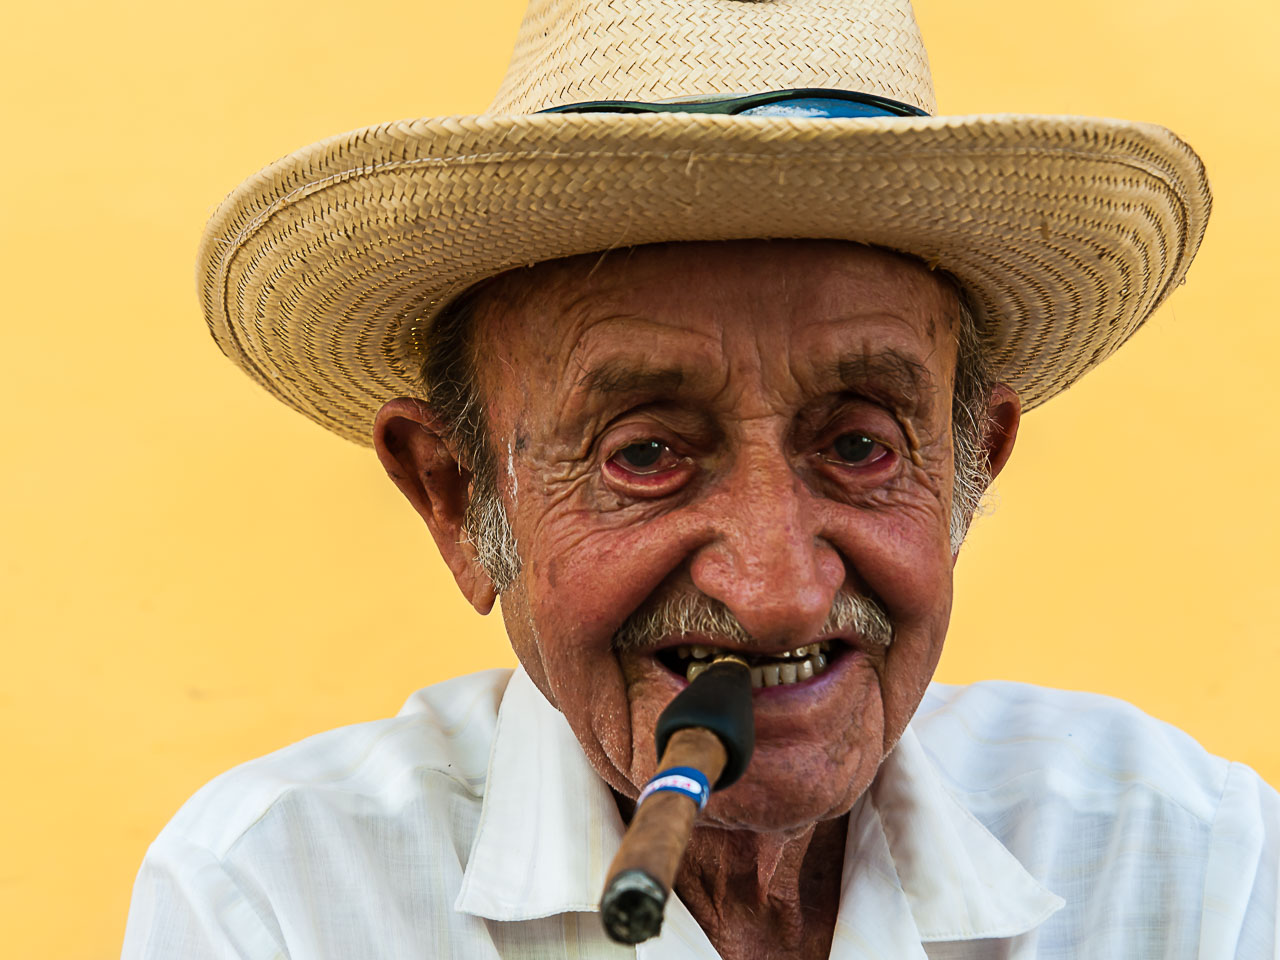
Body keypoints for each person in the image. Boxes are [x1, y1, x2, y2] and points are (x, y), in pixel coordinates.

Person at [124, 0, 1278, 957]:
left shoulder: (1182, 862)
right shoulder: (277, 900)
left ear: (970, 468)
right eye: (644, 455)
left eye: (861, 446)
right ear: (456, 499)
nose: (774, 591)